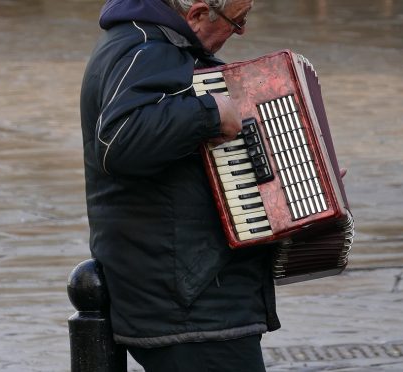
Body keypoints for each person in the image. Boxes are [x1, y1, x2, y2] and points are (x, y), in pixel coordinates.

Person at [79, 0, 280, 370]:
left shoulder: (157, 44)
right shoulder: (147, 48)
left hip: (198, 290)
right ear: (199, 14)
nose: (241, 32)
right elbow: (120, 142)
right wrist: (210, 113)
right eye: (237, 21)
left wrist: (305, 181)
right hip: (188, 299)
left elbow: (192, 161)